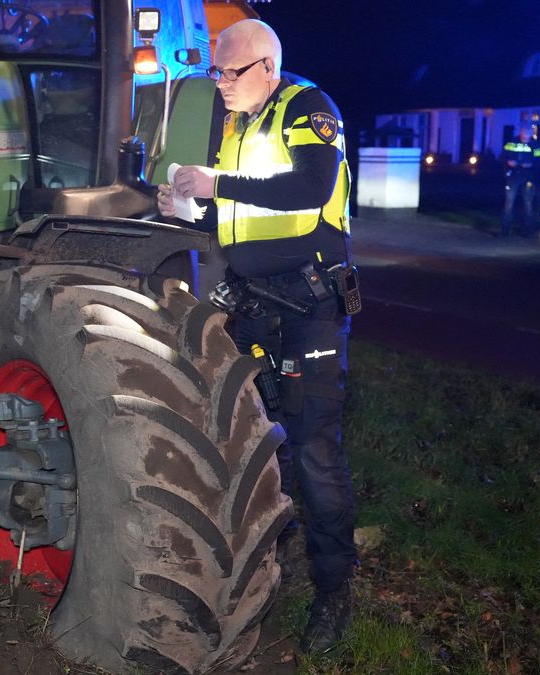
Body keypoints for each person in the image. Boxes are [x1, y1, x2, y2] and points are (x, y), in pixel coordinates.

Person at [157, 18, 356, 654]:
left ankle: (333, 591)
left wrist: (218, 184)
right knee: (238, 437)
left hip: (308, 305)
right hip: (253, 303)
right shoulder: (241, 124)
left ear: (268, 66)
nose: (220, 85)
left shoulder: (307, 108)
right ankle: (245, 566)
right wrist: (191, 207)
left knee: (314, 448)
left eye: (231, 72)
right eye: (216, 72)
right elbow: (239, 213)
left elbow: (310, 187)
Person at [499, 127, 540, 237]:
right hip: (513, 176)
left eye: (528, 134)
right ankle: (505, 231)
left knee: (528, 203)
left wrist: (531, 165)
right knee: (509, 203)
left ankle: (528, 231)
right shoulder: (511, 143)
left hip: (528, 176)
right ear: (521, 133)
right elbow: (501, 157)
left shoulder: (536, 145)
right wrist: (508, 163)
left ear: (531, 134)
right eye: (524, 133)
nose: (525, 136)